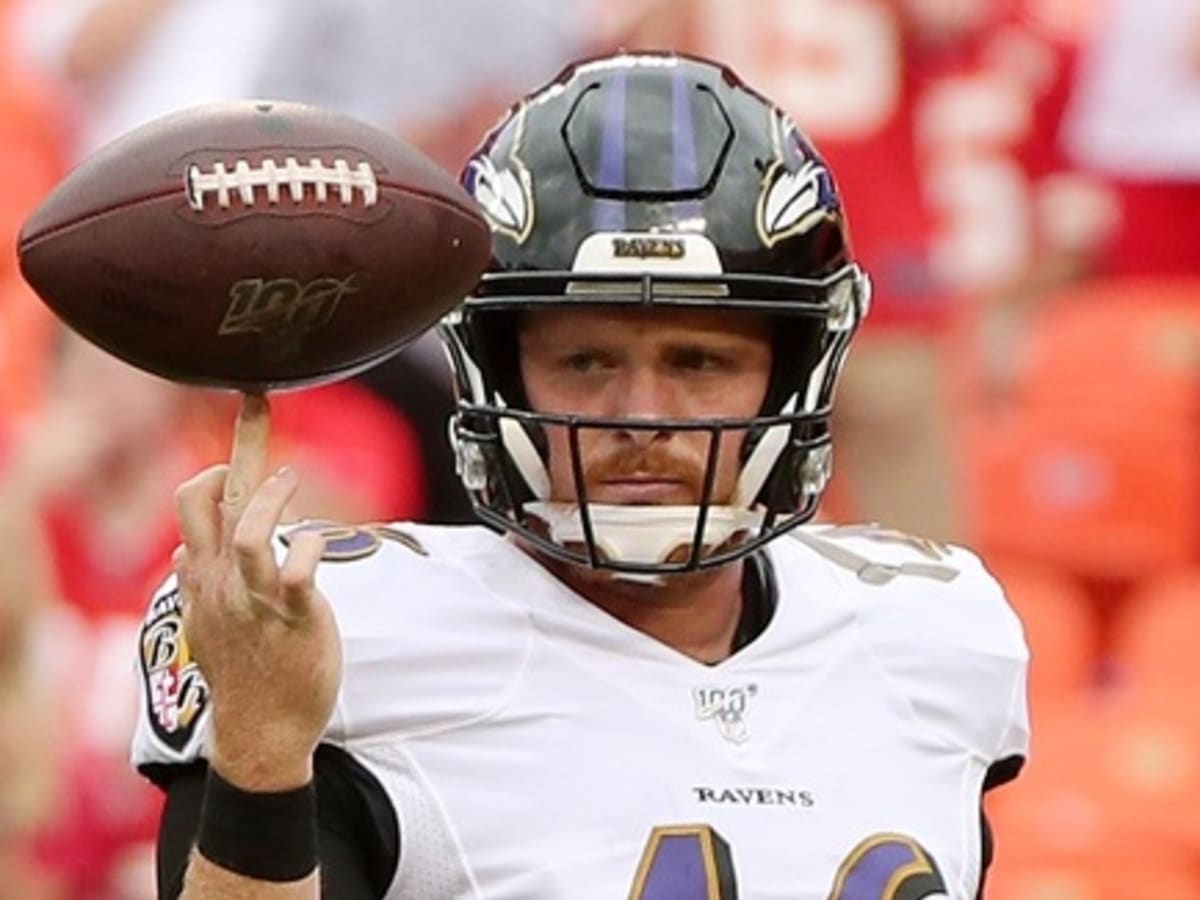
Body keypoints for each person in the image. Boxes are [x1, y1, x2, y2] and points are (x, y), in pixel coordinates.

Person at [131, 52, 1030, 899]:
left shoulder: (932, 639)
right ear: (498, 366)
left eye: (699, 361)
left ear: (792, 372)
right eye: (588, 360)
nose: (643, 416)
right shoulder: (345, 634)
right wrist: (261, 755)